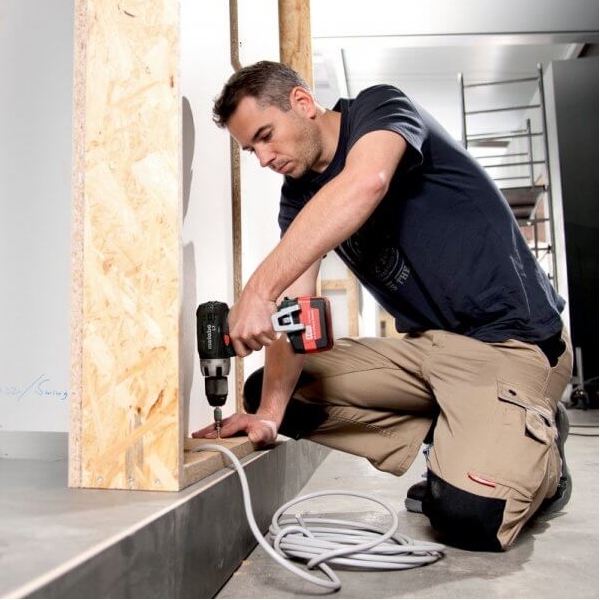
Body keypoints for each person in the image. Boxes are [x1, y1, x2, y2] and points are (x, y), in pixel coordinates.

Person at [192, 60, 573, 552]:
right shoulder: (298, 198)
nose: (263, 157)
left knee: (468, 515)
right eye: (251, 150)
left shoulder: (380, 109)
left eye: (266, 136)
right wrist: (267, 414)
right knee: (275, 394)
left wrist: (257, 290)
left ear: (302, 103)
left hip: (513, 345)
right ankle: (468, 436)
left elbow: (367, 181)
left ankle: (541, 454)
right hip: (429, 351)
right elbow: (297, 309)